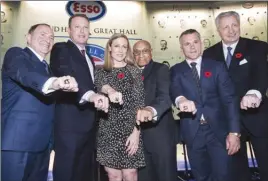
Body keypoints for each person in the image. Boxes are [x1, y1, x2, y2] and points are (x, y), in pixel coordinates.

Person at [1, 23, 78, 181]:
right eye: (42, 34)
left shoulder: (48, 69)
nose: (47, 39)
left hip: (43, 148)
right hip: (17, 145)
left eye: (51, 37)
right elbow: (26, 75)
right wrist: (54, 83)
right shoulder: (16, 55)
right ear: (28, 38)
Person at [203, 11, 268, 181]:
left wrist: (254, 93)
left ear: (239, 26)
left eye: (234, 25)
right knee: (237, 172)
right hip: (228, 122)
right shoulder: (209, 54)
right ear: (218, 30)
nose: (231, 30)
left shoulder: (258, 47)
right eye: (225, 27)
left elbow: (262, 75)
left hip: (257, 117)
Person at [170, 29, 241, 181]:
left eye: (195, 42)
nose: (192, 47)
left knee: (223, 175)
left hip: (218, 132)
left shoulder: (217, 67)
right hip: (193, 133)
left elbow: (230, 100)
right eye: (187, 44)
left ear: (201, 43)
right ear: (181, 48)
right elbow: (175, 90)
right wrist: (181, 100)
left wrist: (234, 132)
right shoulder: (176, 70)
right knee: (201, 176)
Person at [50, 14, 109, 181]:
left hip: (90, 126)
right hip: (70, 125)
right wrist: (91, 96)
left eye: (85, 27)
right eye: (77, 27)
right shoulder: (61, 49)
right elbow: (64, 73)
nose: (82, 31)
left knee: (84, 173)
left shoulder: (88, 57)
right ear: (68, 30)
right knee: (67, 171)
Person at [94, 33, 145, 181]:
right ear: (110, 48)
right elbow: (102, 85)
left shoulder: (134, 71)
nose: (120, 50)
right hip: (108, 131)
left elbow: (139, 103)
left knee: (130, 175)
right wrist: (111, 91)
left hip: (131, 129)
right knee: (114, 176)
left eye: (124, 46)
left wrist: (136, 133)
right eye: (117, 46)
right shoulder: (100, 70)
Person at [133, 40, 178, 181]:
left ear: (151, 51)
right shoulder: (129, 72)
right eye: (137, 52)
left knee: (166, 176)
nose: (141, 55)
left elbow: (165, 96)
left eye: (145, 51)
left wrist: (150, 110)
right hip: (137, 139)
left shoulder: (161, 69)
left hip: (160, 137)